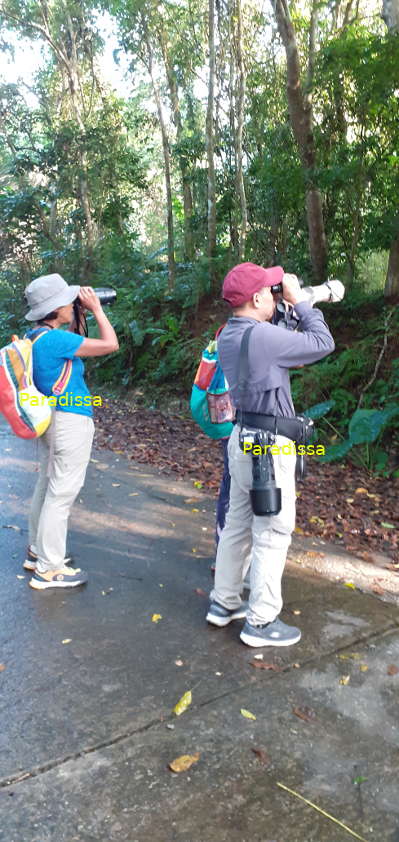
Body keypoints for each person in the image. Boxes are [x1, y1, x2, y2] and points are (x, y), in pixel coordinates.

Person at [206, 262, 335, 646]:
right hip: (268, 445)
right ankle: (261, 622)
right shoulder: (262, 337)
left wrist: (289, 306)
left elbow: (284, 348)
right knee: (272, 532)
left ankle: (224, 603)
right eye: (271, 291)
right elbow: (322, 343)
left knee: (238, 525)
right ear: (259, 298)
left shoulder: (230, 333)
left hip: (243, 438)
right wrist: (300, 302)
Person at [23, 273, 119, 590]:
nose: (72, 302)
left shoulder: (37, 337)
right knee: (61, 494)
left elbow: (76, 345)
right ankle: (50, 569)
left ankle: (38, 552)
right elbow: (110, 344)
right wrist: (97, 310)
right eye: (68, 300)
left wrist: (78, 313)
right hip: (69, 418)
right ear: (55, 308)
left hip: (50, 417)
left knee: (48, 483)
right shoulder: (56, 341)